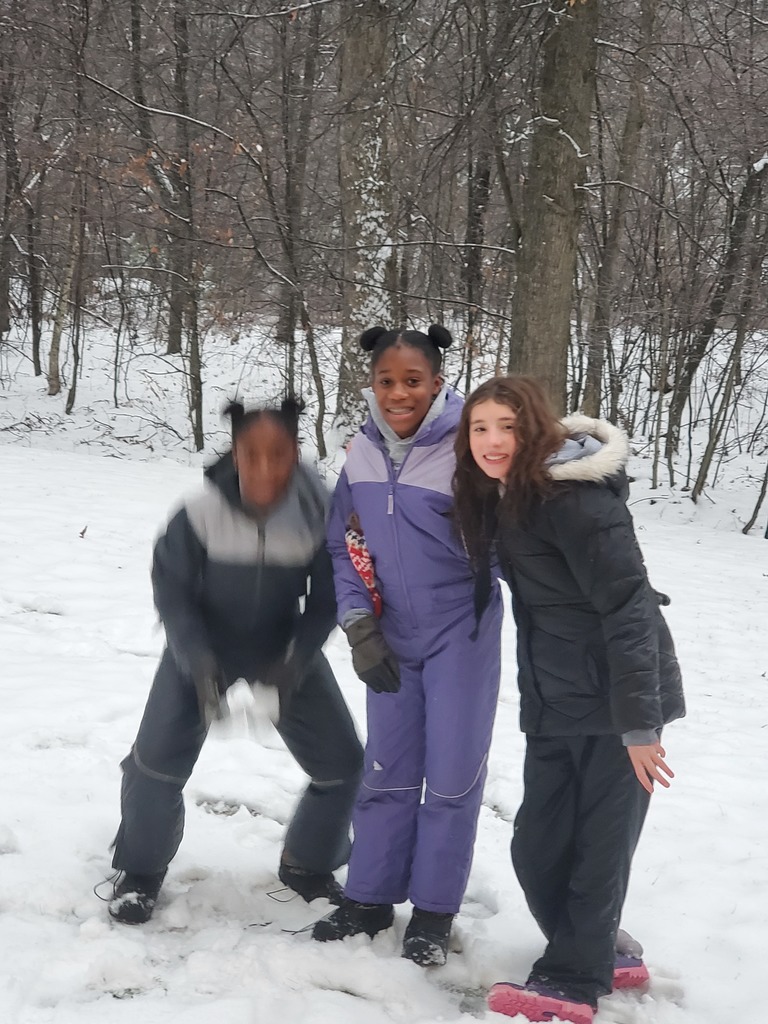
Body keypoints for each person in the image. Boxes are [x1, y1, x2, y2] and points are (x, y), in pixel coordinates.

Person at [452, 376, 685, 1024]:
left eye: (507, 426)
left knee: (599, 847)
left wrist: (640, 724)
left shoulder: (576, 499)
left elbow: (629, 607)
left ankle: (573, 979)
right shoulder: (509, 497)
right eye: (480, 427)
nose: (493, 440)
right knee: (537, 846)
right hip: (556, 699)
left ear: (536, 430)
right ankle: (600, 944)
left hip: (618, 701)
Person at [107, 398, 363, 924]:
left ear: (296, 452)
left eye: (279, 454)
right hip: (202, 648)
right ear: (235, 454)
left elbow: (326, 600)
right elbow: (172, 592)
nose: (265, 467)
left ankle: (308, 863)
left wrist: (294, 660)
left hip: (282, 650)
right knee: (155, 766)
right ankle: (140, 870)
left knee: (344, 767)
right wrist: (197, 661)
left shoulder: (321, 512)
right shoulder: (199, 512)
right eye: (252, 454)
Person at [312, 326, 503, 966]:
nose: (399, 393)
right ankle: (368, 897)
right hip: (389, 636)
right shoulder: (360, 452)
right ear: (371, 383)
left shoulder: (468, 447)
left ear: (438, 382)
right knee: (387, 770)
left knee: (451, 776)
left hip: (461, 634)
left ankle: (433, 911)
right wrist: (358, 622)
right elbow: (343, 543)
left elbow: (528, 515)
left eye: (413, 381)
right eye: (386, 381)